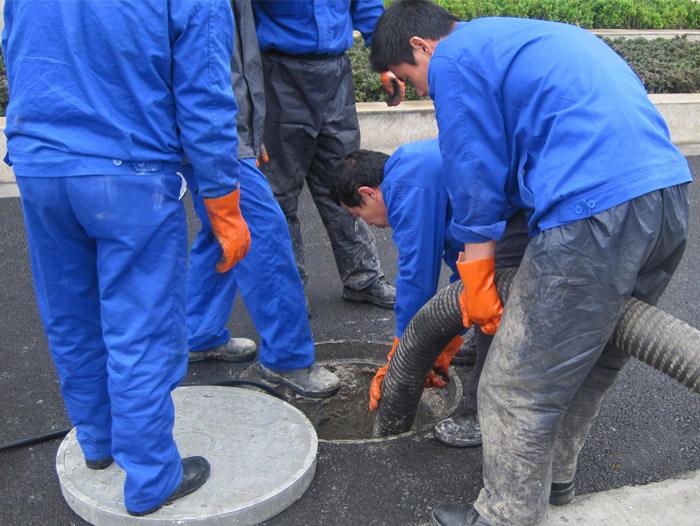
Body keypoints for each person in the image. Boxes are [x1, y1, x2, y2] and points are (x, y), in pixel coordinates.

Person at [370, 2, 691, 525]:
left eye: (412, 79)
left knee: (516, 385)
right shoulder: (518, 40)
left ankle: (504, 516)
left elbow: (472, 170)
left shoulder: (454, 59)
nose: (426, 93)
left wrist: (474, 277)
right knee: (592, 361)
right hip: (667, 197)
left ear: (420, 47)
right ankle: (554, 481)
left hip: (592, 211)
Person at [2, 0, 251, 516]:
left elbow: (19, 54)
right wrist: (224, 203)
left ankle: (98, 442)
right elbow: (205, 94)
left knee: (72, 315)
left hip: (40, 164)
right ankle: (152, 478)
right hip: (130, 172)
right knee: (141, 330)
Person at [185, 0, 340, 398]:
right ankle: (288, 361)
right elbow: (203, 74)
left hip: (222, 132)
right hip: (211, 133)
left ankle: (199, 333)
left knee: (219, 230)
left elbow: (239, 64)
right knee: (263, 233)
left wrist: (252, 135)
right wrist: (234, 143)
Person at [331, 139, 528, 447]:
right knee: (477, 294)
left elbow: (416, 275)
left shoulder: (406, 188)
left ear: (368, 193)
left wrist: (404, 348)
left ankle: (484, 416)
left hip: (517, 214)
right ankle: (477, 342)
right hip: (504, 210)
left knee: (492, 300)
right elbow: (460, 259)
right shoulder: (408, 169)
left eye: (358, 215)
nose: (365, 223)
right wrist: (451, 331)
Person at [250, 0, 400, 311]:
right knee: (280, 192)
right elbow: (239, 23)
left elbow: (367, 6)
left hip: (335, 74)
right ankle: (288, 289)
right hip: (278, 74)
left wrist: (386, 63)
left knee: (348, 177)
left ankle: (363, 277)